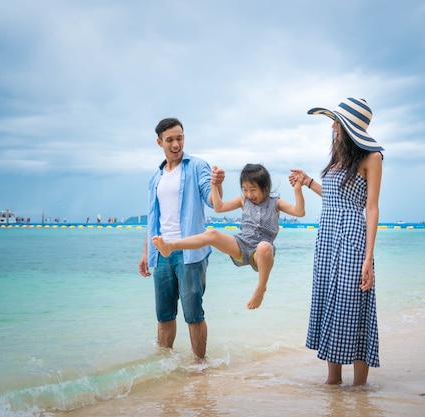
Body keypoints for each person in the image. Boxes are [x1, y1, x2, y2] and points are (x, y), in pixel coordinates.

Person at [290, 97, 383, 386]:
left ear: (349, 126)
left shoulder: (372, 158)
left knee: (353, 306)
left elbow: (371, 207)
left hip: (353, 238)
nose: (332, 125)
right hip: (328, 238)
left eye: (337, 121)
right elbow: (334, 198)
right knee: (330, 303)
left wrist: (368, 259)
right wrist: (307, 181)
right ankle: (332, 384)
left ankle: (360, 389)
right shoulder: (338, 158)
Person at [153, 163, 306, 310]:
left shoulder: (276, 203)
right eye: (245, 189)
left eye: (253, 190)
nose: (249, 194)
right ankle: (170, 246)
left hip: (260, 254)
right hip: (241, 244)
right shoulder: (243, 201)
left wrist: (297, 189)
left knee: (264, 246)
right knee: (212, 234)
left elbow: (299, 212)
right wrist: (214, 184)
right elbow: (219, 208)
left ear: (265, 188)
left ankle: (260, 289)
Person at [138, 117, 224, 359]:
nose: (176, 144)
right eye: (170, 140)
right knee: (164, 316)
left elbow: (212, 200)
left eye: (180, 138)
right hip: (162, 252)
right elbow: (153, 219)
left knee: (193, 314)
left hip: (191, 252)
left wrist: (217, 185)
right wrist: (147, 253)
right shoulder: (155, 177)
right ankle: (165, 369)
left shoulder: (197, 166)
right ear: (159, 142)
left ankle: (200, 366)